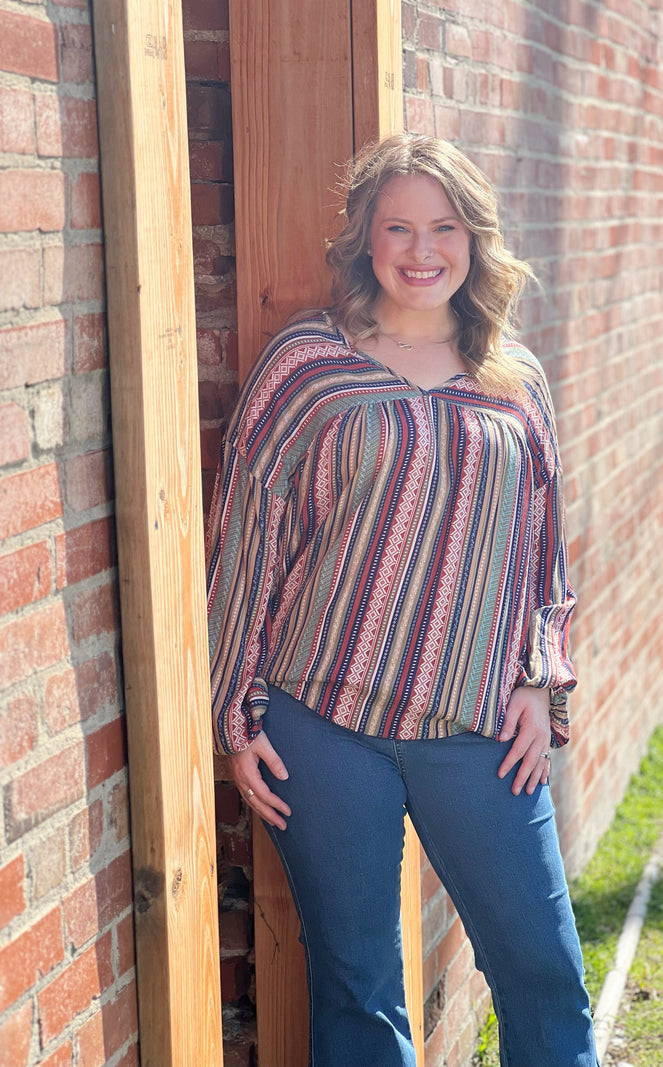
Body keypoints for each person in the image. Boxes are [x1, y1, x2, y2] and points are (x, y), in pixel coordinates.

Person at [206, 133, 599, 1067]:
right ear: (365, 239)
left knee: (543, 970)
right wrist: (236, 711)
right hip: (322, 723)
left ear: (475, 241)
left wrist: (542, 684)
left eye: (445, 227)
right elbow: (247, 536)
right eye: (398, 228)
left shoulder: (514, 379)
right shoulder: (306, 362)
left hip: (477, 727)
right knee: (356, 984)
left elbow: (539, 549)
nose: (422, 251)